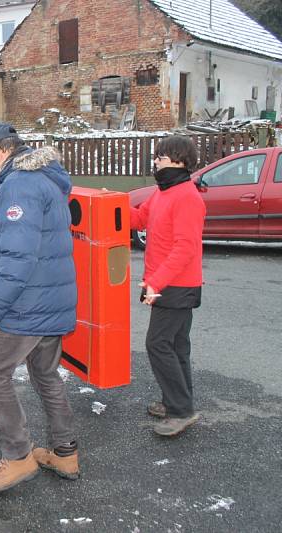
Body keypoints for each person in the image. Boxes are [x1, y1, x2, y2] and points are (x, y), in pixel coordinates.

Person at [0, 122, 78, 493]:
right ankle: (65, 452)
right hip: (51, 302)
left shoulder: (18, 186)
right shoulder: (46, 180)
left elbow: (18, 258)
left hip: (28, 305)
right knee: (45, 374)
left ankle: (17, 457)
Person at [131, 135, 205, 437]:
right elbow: (138, 219)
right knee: (176, 346)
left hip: (176, 285)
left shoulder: (187, 196)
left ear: (180, 161)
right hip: (166, 283)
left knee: (158, 344)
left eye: (162, 156)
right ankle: (177, 401)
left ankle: (181, 410)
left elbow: (185, 248)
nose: (157, 160)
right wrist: (110, 202)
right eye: (157, 155)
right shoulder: (163, 192)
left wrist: (155, 283)